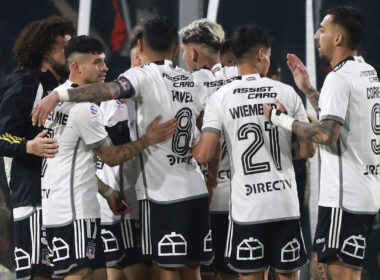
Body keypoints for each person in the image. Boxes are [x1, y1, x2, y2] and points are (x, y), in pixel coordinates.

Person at [33, 17, 213, 280]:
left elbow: (110, 91)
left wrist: (57, 95)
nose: (106, 67)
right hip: (194, 189)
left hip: (161, 194)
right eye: (98, 62)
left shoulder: (137, 78)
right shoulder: (192, 80)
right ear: (176, 48)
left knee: (164, 270)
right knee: (192, 270)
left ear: (141, 46)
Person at [41, 35, 177, 279]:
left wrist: (108, 192)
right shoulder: (87, 108)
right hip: (76, 209)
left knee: (93, 273)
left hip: (56, 205)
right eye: (97, 62)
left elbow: (73, 161)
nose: (105, 68)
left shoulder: (54, 99)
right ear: (76, 66)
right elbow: (111, 157)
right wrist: (148, 138)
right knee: (80, 273)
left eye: (103, 61)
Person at [264, 6, 380, 280]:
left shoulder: (338, 79)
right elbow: (340, 120)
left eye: (323, 30)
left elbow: (327, 134)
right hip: (362, 193)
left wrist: (281, 119)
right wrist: (308, 90)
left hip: (344, 198)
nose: (317, 35)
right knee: (318, 270)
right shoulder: (367, 72)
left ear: (338, 38)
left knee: (334, 274)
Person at [192, 25, 315, 280]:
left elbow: (203, 155)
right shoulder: (286, 92)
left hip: (248, 209)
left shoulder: (221, 97)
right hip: (284, 205)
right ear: (261, 54)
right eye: (269, 55)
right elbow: (308, 149)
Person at [0, 16, 75, 280]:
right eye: (64, 46)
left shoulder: (63, 89)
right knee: (38, 274)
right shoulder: (23, 84)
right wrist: (28, 146)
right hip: (32, 198)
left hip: (63, 199)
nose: (70, 52)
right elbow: (2, 136)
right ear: (45, 50)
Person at [179, 18, 238, 280]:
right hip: (245, 194)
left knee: (199, 270)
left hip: (206, 193)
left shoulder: (188, 84)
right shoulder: (240, 77)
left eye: (184, 52)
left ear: (193, 53)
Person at [96, 29, 151, 280]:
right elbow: (113, 140)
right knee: (135, 268)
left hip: (123, 198)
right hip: (124, 199)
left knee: (118, 269)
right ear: (140, 57)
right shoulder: (119, 96)